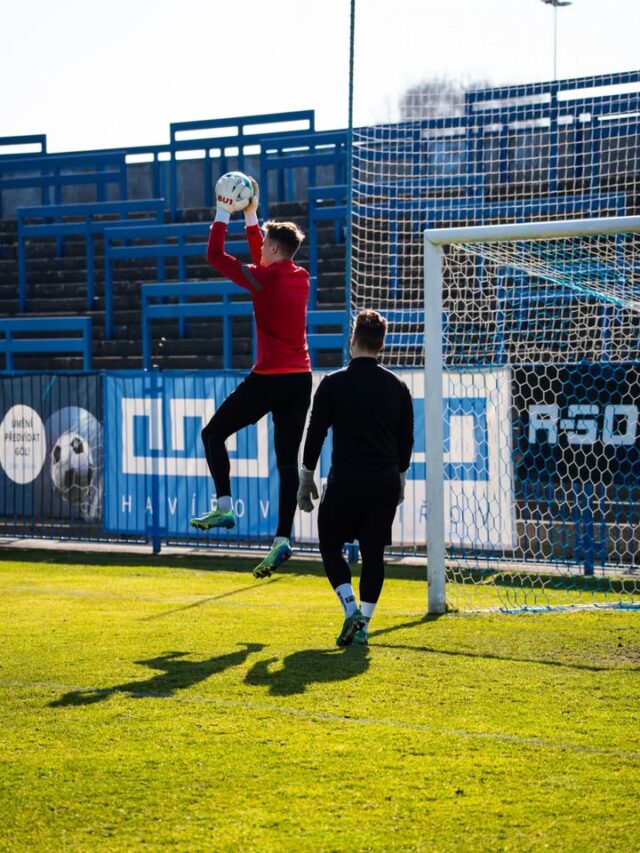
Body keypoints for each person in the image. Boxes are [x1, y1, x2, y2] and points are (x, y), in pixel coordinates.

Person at [191, 174, 312, 579]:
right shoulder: (299, 276)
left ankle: (224, 506)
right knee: (286, 463)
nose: (260, 248)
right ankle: (282, 539)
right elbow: (264, 254)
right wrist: (253, 214)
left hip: (270, 378)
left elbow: (215, 256)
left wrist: (225, 212)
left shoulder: (264, 278)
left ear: (274, 249)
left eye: (264, 244)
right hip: (301, 377)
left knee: (212, 434)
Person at [297, 310, 414, 646]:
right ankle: (364, 626)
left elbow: (315, 433)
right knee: (373, 553)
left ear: (353, 341)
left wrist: (306, 477)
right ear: (381, 344)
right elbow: (406, 439)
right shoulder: (398, 386)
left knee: (330, 544)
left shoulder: (333, 383)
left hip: (347, 480)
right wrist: (401, 478)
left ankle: (350, 609)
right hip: (384, 480)